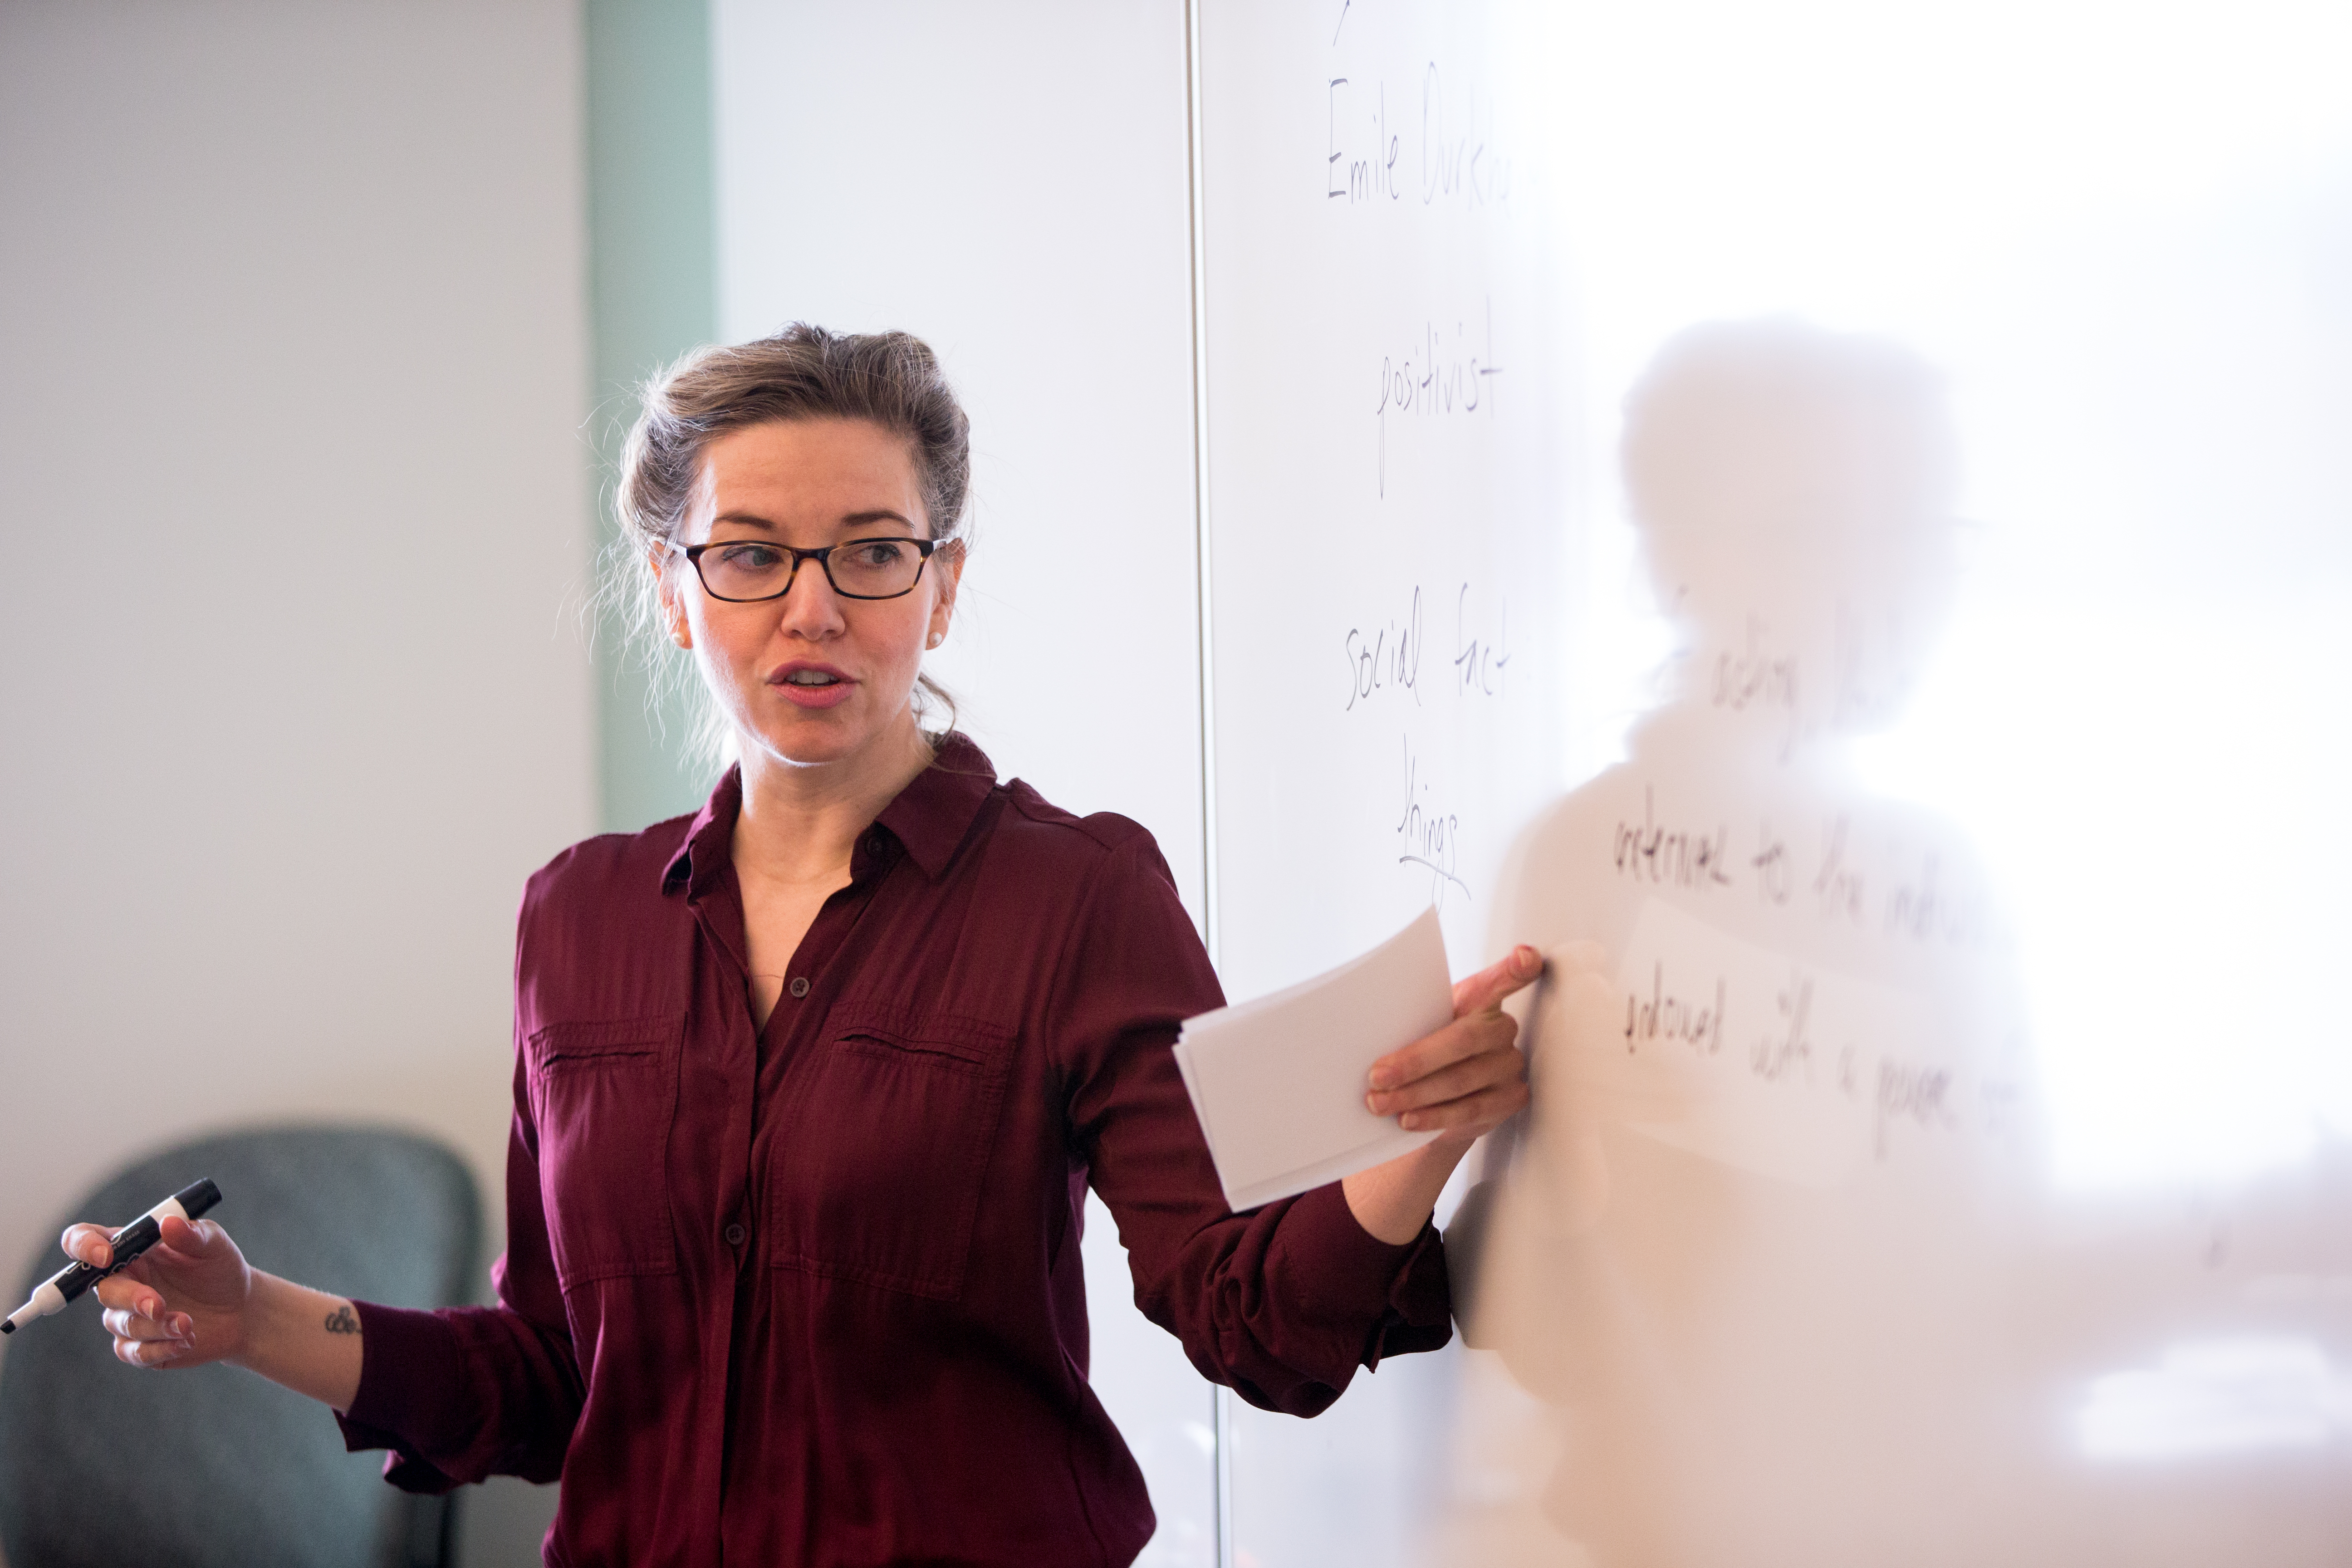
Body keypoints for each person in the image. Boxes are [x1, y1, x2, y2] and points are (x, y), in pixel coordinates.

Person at [64, 325, 1538, 1567]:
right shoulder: (577, 919)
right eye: (752, 556)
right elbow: (549, 1378)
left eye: (874, 553)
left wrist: (1420, 1143)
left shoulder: (1076, 897)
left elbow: (1248, 1319)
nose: (815, 608)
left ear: (943, 585)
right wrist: (252, 1318)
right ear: (670, 584)